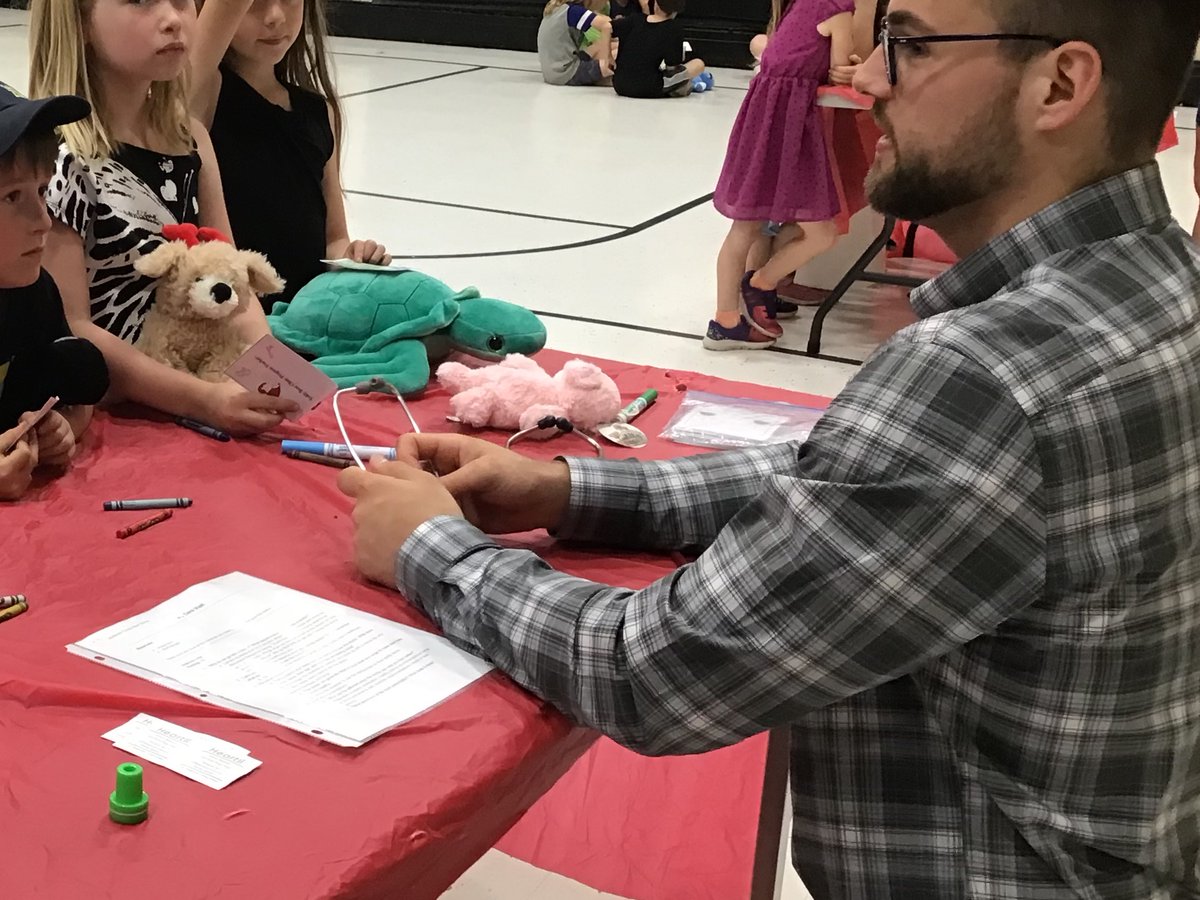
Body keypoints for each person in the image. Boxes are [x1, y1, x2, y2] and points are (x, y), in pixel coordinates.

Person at [338, 0, 1200, 895]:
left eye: (906, 46)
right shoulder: (1151, 283)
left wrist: (431, 552)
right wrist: (569, 493)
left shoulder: (983, 378)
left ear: (1060, 83)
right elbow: (852, 477)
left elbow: (656, 670)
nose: (866, 78)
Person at [29, 0, 297, 437]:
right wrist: (204, 399)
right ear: (81, 23)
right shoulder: (63, 158)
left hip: (205, 377)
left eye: (181, 1)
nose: (173, 19)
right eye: (140, 1)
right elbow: (73, 325)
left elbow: (232, 278)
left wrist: (270, 370)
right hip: (123, 404)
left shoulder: (190, 138)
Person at [190, 0, 391, 308]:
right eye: (254, 4)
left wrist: (354, 257)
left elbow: (334, 238)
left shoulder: (319, 112)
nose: (275, 17)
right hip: (241, 317)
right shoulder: (205, 97)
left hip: (308, 314)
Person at [706, 0, 858, 350]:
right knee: (819, 231)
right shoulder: (838, 8)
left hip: (764, 120)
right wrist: (854, 65)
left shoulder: (801, 5)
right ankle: (756, 286)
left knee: (746, 225)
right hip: (789, 125)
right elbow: (838, 70)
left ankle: (731, 312)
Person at [0, 84, 97, 500]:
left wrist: (61, 429)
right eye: (11, 196)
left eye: (42, 191)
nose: (42, 220)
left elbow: (73, 390)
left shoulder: (36, 291)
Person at [611, 0, 706, 100]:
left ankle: (683, 85)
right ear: (676, 11)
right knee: (698, 64)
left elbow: (608, 27)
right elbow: (672, 68)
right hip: (649, 87)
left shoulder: (634, 19)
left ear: (655, 4)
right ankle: (685, 86)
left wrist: (606, 57)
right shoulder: (673, 29)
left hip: (619, 84)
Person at [539, 0, 614, 87]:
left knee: (605, 45)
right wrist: (606, 60)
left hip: (552, 72)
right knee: (617, 51)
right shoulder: (574, 11)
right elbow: (606, 26)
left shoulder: (558, 9)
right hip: (566, 73)